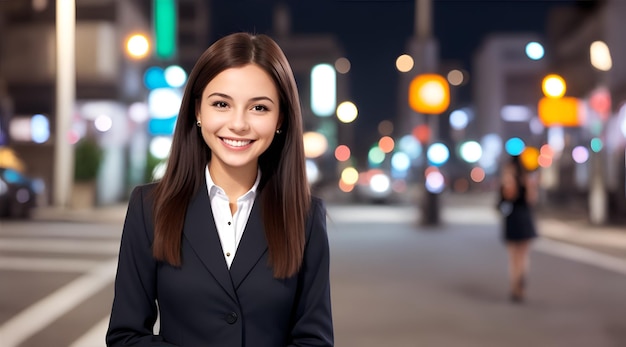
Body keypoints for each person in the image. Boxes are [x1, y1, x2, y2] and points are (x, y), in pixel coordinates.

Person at [106, 32, 333, 346]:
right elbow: (125, 336)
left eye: (259, 108)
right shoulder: (149, 207)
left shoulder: (305, 216)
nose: (238, 124)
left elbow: (314, 340)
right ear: (198, 111)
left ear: (281, 119)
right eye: (222, 104)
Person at [498, 154, 538, 303]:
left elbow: (506, 198)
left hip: (513, 218)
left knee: (513, 256)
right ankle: (521, 283)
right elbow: (531, 199)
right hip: (525, 217)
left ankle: (514, 286)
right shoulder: (527, 179)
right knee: (524, 255)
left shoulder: (508, 179)